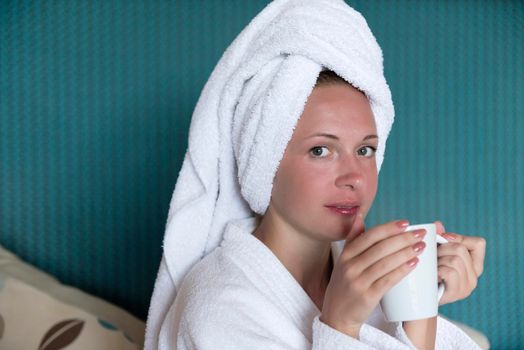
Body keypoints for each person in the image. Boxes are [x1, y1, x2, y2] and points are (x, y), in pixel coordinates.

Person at [145, 1, 486, 349]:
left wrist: (419, 303)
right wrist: (339, 326)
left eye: (365, 150)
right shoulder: (219, 308)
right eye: (321, 150)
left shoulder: (364, 278)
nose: (354, 177)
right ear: (265, 163)